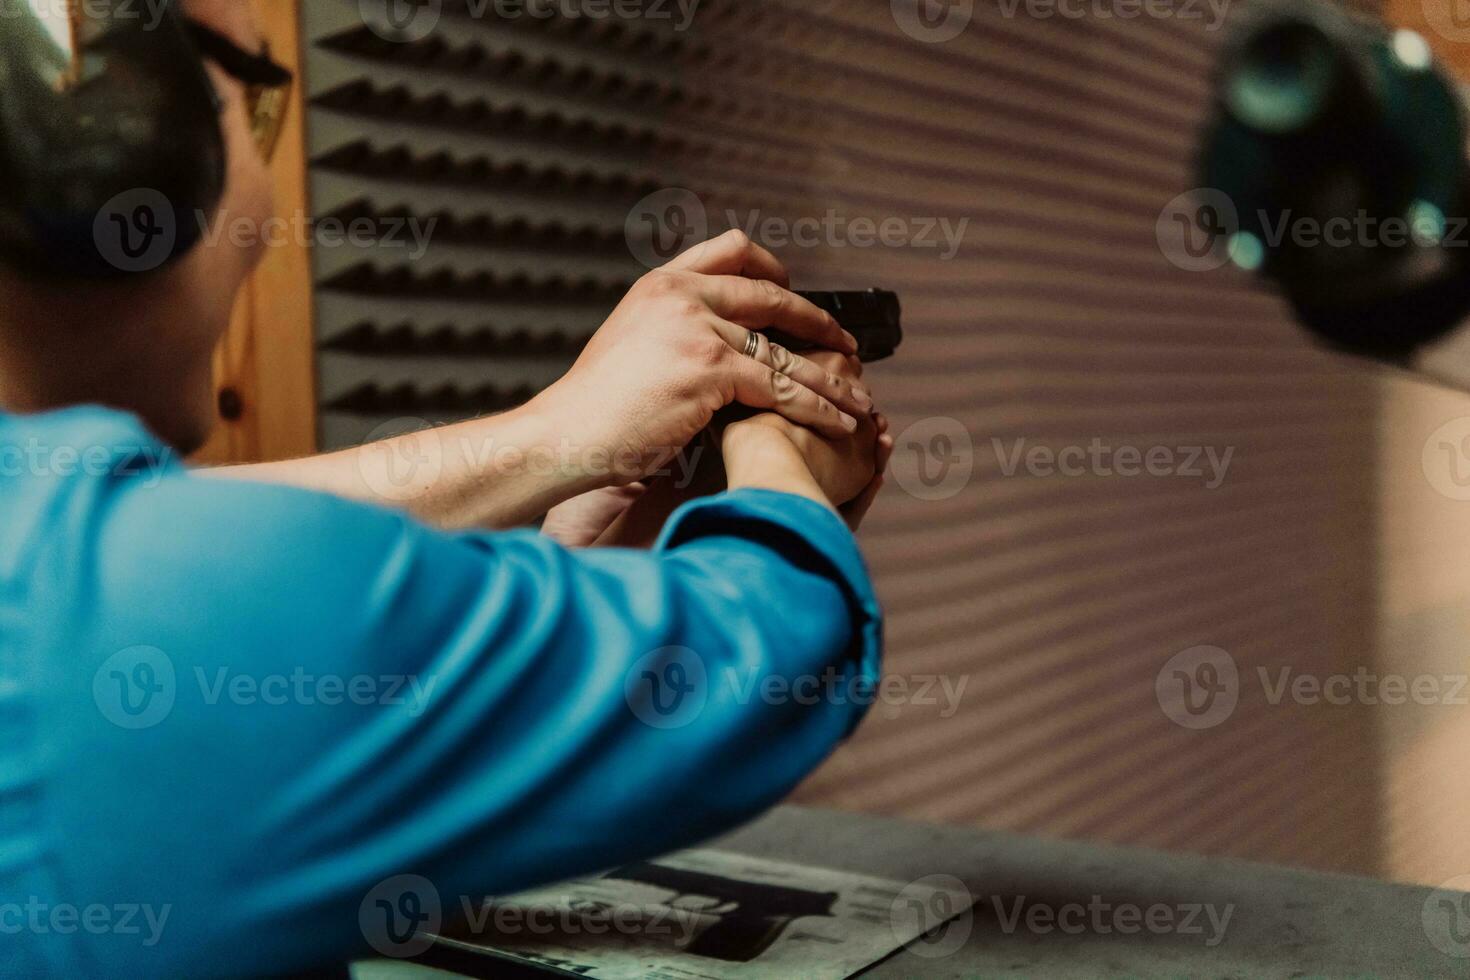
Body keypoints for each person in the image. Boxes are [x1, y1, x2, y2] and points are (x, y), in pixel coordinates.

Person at [0, 2, 891, 977]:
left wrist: (555, 466)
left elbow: (144, 540)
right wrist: (777, 449)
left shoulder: (80, 569)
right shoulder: (154, 607)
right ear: (105, 151)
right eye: (252, 105)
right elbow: (769, 647)